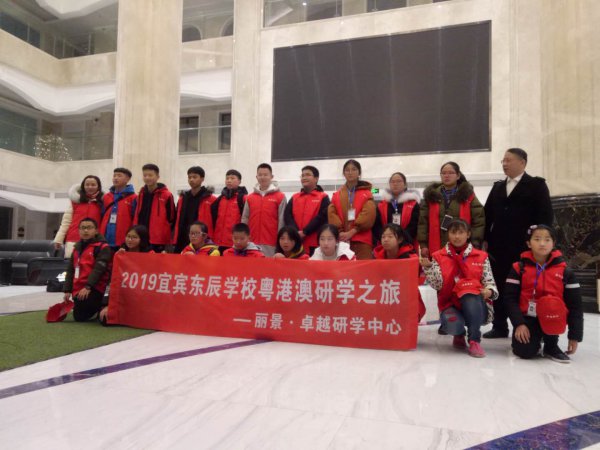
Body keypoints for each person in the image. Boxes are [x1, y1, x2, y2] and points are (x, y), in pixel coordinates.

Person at [483, 148, 554, 339]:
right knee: (498, 284)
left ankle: (524, 326)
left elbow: (545, 217)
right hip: (498, 248)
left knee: (524, 287)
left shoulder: (536, 186)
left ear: (522, 162)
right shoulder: (498, 187)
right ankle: (499, 326)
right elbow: (487, 216)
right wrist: (484, 240)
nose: (504, 164)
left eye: (509, 160)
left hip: (524, 248)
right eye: (503, 161)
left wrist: (540, 243)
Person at [420, 219, 498, 358]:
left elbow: (489, 281)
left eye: (461, 232)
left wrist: (489, 291)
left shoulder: (481, 256)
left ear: (468, 234)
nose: (457, 236)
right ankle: (459, 333)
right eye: (453, 232)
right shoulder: (438, 256)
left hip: (476, 304)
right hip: (450, 304)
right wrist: (428, 268)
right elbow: (438, 285)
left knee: (469, 292)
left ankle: (474, 340)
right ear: (448, 234)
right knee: (453, 325)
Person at [506, 225, 583, 363]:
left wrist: (574, 336)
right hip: (528, 317)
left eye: (547, 240)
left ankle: (551, 345)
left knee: (552, 308)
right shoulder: (519, 268)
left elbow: (575, 305)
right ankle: (535, 337)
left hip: (554, 317)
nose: (542, 243)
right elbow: (510, 299)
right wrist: (519, 324)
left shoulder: (565, 271)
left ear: (553, 243)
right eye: (537, 239)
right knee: (524, 351)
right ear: (529, 243)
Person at [418, 162, 485, 260]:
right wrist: (423, 245)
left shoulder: (468, 196)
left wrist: (475, 243)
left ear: (458, 176)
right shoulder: (431, 196)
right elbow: (423, 222)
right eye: (444, 173)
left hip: (462, 247)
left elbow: (478, 222)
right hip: (436, 246)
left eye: (450, 173)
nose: (447, 175)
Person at [98, 224, 153, 324]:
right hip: (123, 295)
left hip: (142, 297)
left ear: (142, 239)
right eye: (128, 236)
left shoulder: (150, 255)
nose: (130, 240)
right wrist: (107, 304)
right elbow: (112, 281)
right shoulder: (120, 254)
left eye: (134, 237)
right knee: (105, 319)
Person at [373, 223, 426, 321]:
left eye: (390, 236)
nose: (385, 239)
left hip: (405, 296)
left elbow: (413, 283)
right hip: (383, 295)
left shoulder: (411, 259)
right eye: (383, 237)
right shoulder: (375, 258)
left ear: (400, 239)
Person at [63, 218, 112, 322]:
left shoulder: (103, 247)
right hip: (79, 288)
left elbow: (98, 270)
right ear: (79, 230)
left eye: (89, 228)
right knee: (79, 317)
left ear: (96, 231)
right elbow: (70, 269)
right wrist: (67, 290)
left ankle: (101, 307)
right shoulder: (76, 248)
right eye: (83, 228)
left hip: (96, 288)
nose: (85, 230)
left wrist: (88, 286)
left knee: (81, 314)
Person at [328, 159, 376, 260]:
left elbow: (369, 214)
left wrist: (353, 231)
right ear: (343, 173)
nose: (350, 172)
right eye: (347, 170)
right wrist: (340, 232)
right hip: (342, 240)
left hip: (362, 240)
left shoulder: (367, 194)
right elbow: (332, 214)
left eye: (354, 169)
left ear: (359, 173)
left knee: (363, 268)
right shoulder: (337, 195)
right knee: (344, 268)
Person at [241, 163, 286, 257]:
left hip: (271, 242)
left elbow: (282, 220)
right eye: (260, 175)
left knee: (269, 266)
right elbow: (245, 218)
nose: (262, 177)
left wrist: (280, 241)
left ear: (271, 176)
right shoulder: (250, 197)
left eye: (265, 175)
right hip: (251, 243)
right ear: (256, 177)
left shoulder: (280, 197)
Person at [53, 175, 104, 258]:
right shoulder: (75, 202)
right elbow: (66, 222)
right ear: (83, 186)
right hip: (73, 239)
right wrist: (59, 239)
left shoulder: (103, 203)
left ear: (98, 187)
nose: (90, 187)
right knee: (72, 263)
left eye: (93, 185)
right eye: (87, 184)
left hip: (95, 240)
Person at [284, 165, 330, 255]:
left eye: (308, 175)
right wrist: (296, 232)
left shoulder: (323, 197)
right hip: (295, 241)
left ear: (316, 179)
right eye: (303, 175)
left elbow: (322, 218)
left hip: (315, 242)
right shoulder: (295, 197)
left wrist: (305, 232)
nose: (304, 177)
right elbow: (287, 216)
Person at [173, 166, 217, 253]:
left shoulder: (211, 199)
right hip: (182, 238)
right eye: (189, 177)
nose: (191, 179)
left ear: (202, 179)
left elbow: (215, 222)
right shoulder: (182, 198)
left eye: (195, 177)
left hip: (201, 240)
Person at [133, 164, 175, 253]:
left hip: (158, 238)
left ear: (157, 177)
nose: (147, 178)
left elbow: (171, 217)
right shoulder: (141, 194)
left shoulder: (166, 195)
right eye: (145, 175)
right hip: (141, 236)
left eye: (150, 175)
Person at [376, 172, 420, 243]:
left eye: (399, 181)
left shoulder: (413, 204)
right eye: (392, 182)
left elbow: (414, 227)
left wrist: (400, 240)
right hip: (385, 243)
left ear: (405, 185)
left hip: (406, 243)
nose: (395, 184)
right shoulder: (381, 205)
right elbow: (377, 226)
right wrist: (386, 239)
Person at [100, 168, 137, 251]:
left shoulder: (133, 198)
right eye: (114, 176)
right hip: (105, 240)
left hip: (123, 241)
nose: (116, 178)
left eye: (119, 176)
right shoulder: (106, 197)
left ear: (127, 179)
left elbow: (135, 219)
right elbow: (101, 215)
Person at [211, 169, 248, 249]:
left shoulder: (243, 198)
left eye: (232, 178)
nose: (229, 180)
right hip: (217, 242)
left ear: (239, 181)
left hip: (235, 242)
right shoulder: (220, 199)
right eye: (227, 178)